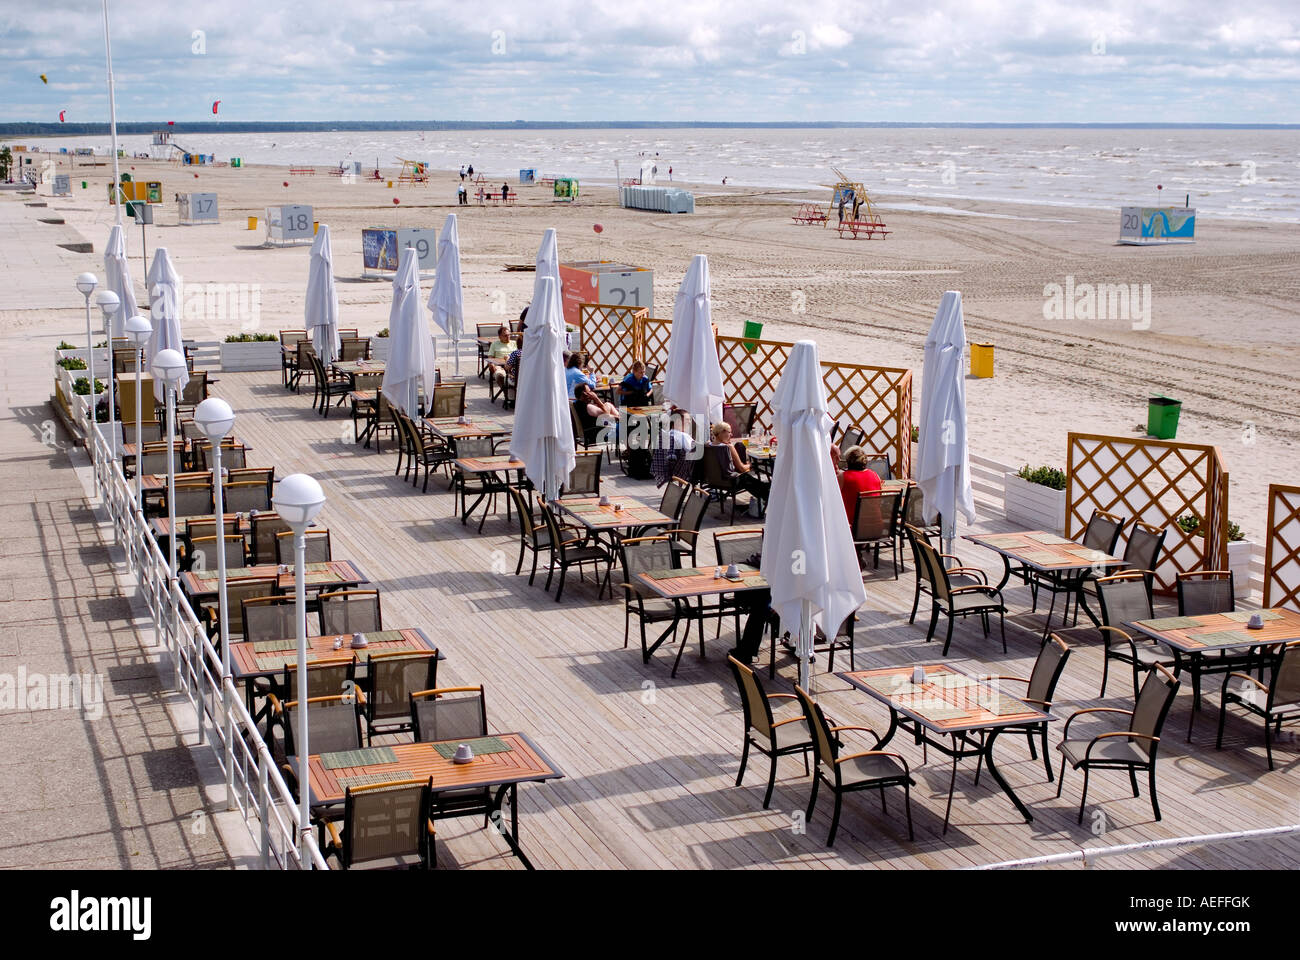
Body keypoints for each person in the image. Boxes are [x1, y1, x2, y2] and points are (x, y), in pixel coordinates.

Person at [710, 422, 770, 513]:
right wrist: (752, 464)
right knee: (748, 478)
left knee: (739, 445)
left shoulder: (708, 445)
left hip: (715, 480)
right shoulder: (728, 447)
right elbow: (742, 468)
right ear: (722, 432)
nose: (731, 434)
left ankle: (765, 496)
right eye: (729, 432)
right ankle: (768, 498)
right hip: (730, 481)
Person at [839, 444, 883, 523]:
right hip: (876, 526)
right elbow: (879, 501)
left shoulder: (843, 477)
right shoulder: (875, 475)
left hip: (852, 528)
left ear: (848, 461)